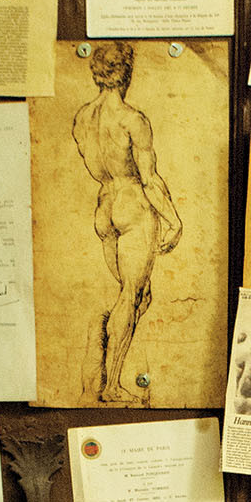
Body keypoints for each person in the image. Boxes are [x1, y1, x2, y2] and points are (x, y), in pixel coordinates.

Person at [72, 40, 182, 405]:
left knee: (138, 296)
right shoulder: (133, 120)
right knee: (130, 296)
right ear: (127, 73)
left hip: (104, 206)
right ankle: (111, 386)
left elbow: (95, 162)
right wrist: (173, 220)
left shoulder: (82, 118)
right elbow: (149, 179)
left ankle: (103, 345)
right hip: (132, 205)